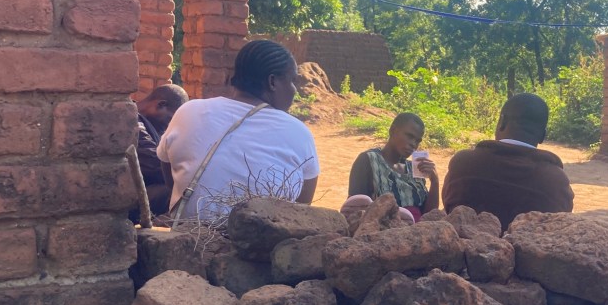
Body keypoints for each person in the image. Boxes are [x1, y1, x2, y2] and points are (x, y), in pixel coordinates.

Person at [156, 40, 319, 220]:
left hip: (186, 233)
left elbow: (170, 177)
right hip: (259, 238)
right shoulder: (298, 132)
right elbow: (300, 211)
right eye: (292, 81)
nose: (294, 90)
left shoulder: (189, 111)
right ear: (272, 82)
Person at [442, 93, 573, 231]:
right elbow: (560, 226)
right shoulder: (556, 181)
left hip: (464, 244)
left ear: (502, 122)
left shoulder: (463, 163)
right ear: (542, 136)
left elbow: (449, 208)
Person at [347, 112, 439, 222]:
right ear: (393, 130)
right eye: (410, 136)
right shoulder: (368, 160)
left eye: (417, 141)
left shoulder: (414, 168)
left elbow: (430, 216)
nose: (413, 144)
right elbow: (356, 209)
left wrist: (434, 181)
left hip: (417, 230)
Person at [133, 84, 188, 220]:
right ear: (161, 105)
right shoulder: (131, 119)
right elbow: (154, 163)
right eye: (170, 119)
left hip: (141, 191)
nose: (169, 126)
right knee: (181, 193)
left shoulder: (151, 124)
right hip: (125, 195)